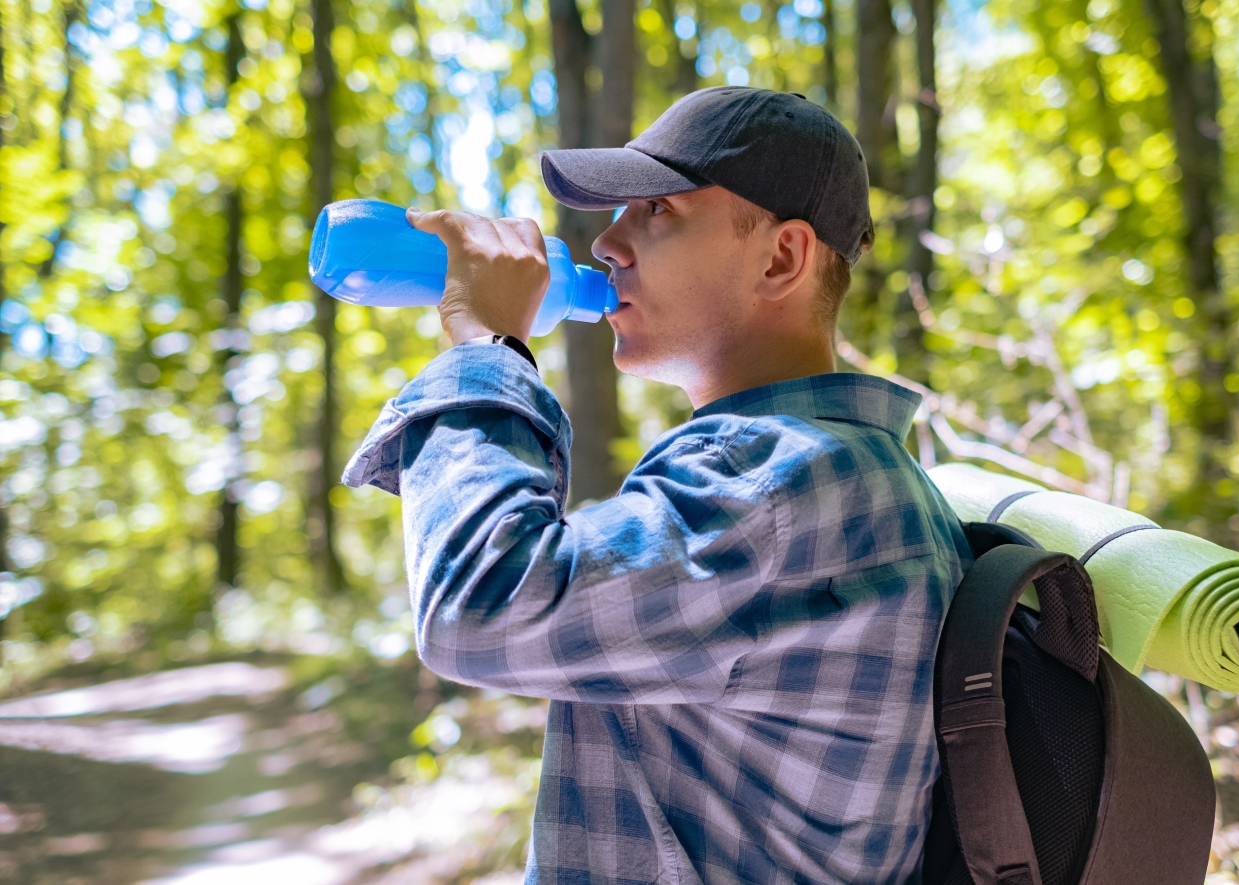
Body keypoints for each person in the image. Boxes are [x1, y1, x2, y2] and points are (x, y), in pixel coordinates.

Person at [343, 86, 973, 885]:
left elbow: (480, 605)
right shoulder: (835, 471)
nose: (606, 243)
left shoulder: (783, 484)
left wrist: (489, 345)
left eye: (657, 210)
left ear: (782, 257)